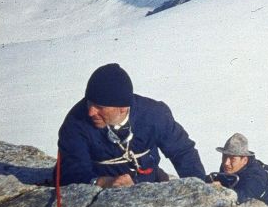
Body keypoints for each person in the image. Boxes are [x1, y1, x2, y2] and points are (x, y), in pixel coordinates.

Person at [55, 63, 206, 186]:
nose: (90, 112)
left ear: (123, 107)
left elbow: (182, 151)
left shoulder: (153, 114)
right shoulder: (75, 124)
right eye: (89, 103)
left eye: (100, 107)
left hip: (149, 181)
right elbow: (72, 169)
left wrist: (200, 186)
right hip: (104, 189)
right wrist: (102, 182)